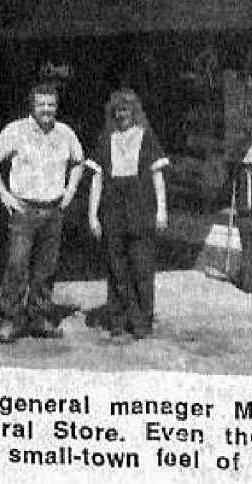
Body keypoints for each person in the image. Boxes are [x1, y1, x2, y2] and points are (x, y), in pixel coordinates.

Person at [0, 82, 85, 344]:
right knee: (17, 265)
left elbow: (79, 162)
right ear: (32, 105)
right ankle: (11, 319)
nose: (47, 110)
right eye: (41, 104)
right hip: (24, 211)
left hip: (53, 211)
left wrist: (70, 192)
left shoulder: (65, 133)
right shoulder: (17, 131)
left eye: (51, 105)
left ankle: (40, 317)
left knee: (46, 268)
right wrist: (4, 195)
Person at [86, 88, 169, 339]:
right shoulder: (105, 139)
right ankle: (118, 319)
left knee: (142, 267)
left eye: (127, 110)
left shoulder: (147, 137)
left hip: (141, 210)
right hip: (113, 212)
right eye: (118, 110)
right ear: (113, 113)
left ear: (135, 112)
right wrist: (92, 214)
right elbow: (97, 180)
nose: (122, 114)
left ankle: (142, 320)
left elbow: (158, 176)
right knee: (116, 267)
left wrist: (162, 211)